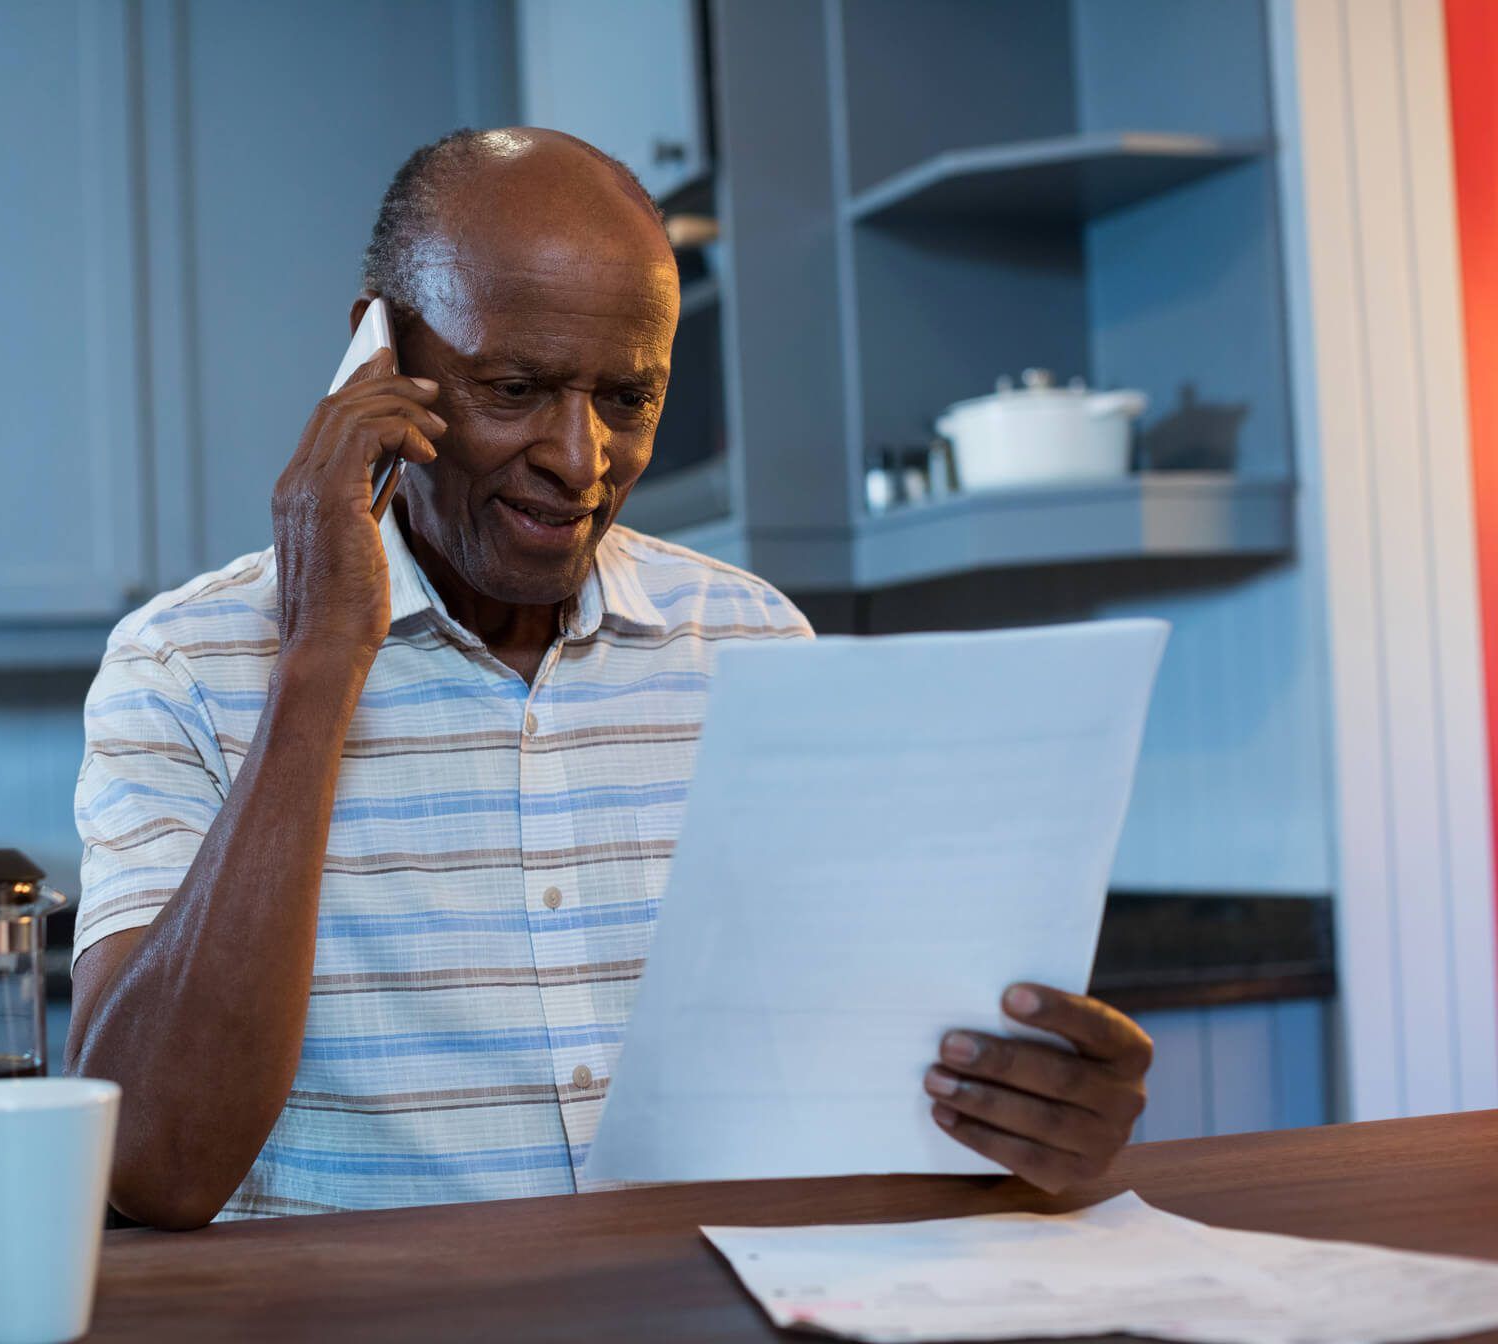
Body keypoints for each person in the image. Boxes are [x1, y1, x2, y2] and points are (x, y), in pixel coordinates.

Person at [67, 128, 1153, 1228]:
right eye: (516, 387)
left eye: (627, 400)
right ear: (375, 360)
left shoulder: (752, 645)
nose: (580, 461)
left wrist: (1024, 1123)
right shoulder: (183, 668)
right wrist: (320, 661)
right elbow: (153, 1165)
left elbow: (853, 1097)